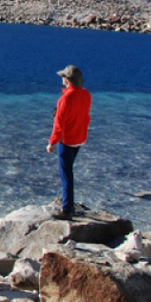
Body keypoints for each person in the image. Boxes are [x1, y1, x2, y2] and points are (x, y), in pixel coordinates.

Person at [47, 65, 91, 220]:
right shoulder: (86, 95)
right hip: (79, 138)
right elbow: (85, 117)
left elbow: (59, 125)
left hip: (67, 140)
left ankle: (67, 209)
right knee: (68, 171)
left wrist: (52, 142)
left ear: (67, 80)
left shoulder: (65, 99)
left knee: (66, 175)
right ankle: (68, 202)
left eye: (63, 76)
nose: (62, 78)